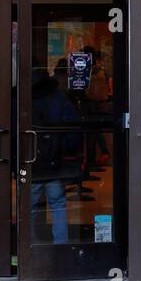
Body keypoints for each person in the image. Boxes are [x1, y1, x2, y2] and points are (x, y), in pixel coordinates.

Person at [29, 69, 82, 245]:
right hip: (54, 160)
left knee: (30, 206)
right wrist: (68, 150)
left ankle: (29, 243)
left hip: (32, 160)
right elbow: (72, 126)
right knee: (58, 204)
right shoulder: (58, 98)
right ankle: (61, 243)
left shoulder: (25, 98)